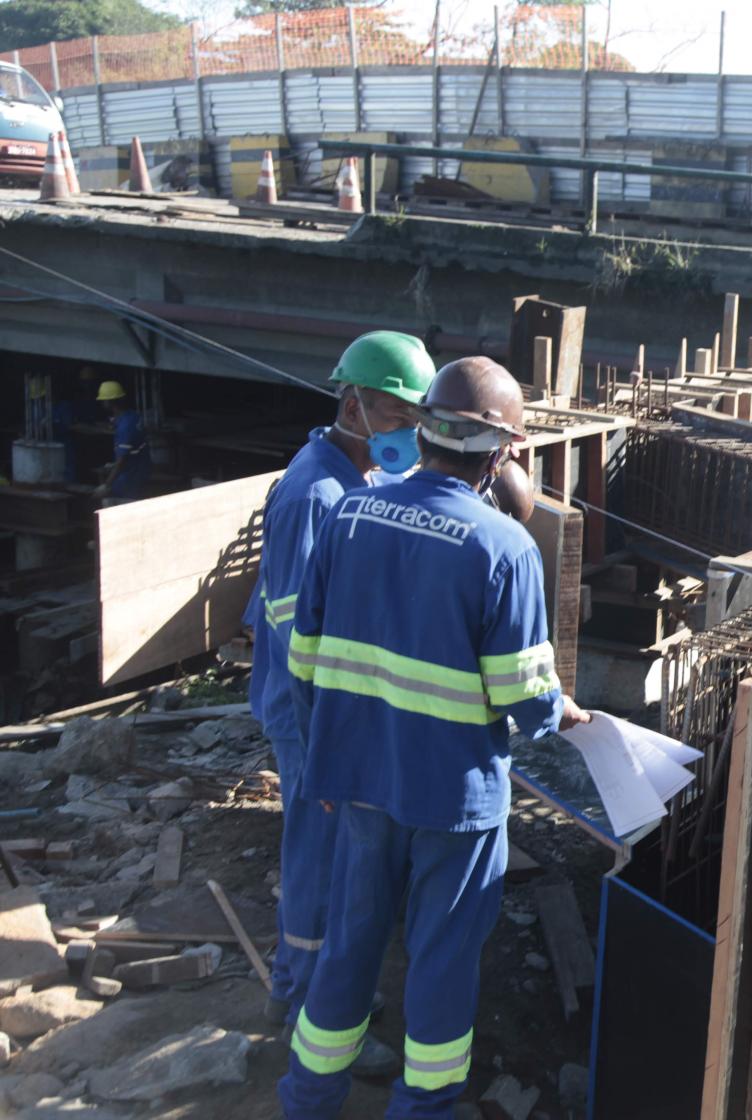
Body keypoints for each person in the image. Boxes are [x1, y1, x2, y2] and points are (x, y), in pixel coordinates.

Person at [279, 357, 589, 1120]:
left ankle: (308, 1098)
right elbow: (522, 700)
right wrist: (562, 711)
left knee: (352, 943)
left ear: (423, 429)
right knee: (442, 958)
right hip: (453, 798)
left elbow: (304, 660)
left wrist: (324, 765)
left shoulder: (350, 512)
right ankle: (423, 1108)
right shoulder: (503, 548)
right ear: (505, 451)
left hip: (358, 780)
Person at [244, 331, 436, 1078]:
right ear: (350, 402)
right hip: (313, 716)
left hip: (337, 710)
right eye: (392, 412)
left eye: (414, 416)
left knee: (343, 862)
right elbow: (298, 638)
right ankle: (304, 1007)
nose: (404, 431)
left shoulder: (356, 476)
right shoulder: (314, 492)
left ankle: (323, 987)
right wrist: (331, 746)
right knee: (322, 859)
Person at [94, 380, 151, 502]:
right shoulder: (132, 416)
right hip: (140, 470)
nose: (102, 403)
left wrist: (106, 485)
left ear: (110, 402)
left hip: (130, 478)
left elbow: (121, 462)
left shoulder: (125, 428)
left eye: (104, 400)